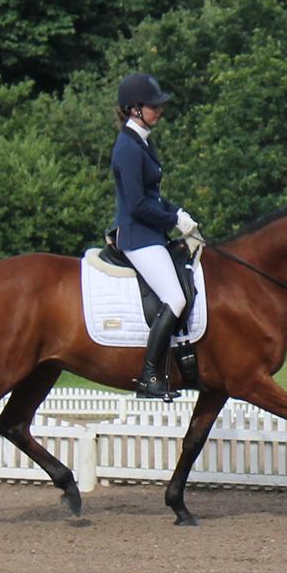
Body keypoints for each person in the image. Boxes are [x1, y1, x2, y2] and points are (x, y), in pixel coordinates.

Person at [110, 72, 199, 400]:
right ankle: (149, 377)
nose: (159, 110)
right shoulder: (128, 148)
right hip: (138, 237)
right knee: (175, 298)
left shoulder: (142, 140)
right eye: (152, 106)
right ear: (134, 109)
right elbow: (137, 205)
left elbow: (154, 196)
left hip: (152, 231)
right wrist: (173, 219)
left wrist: (179, 213)